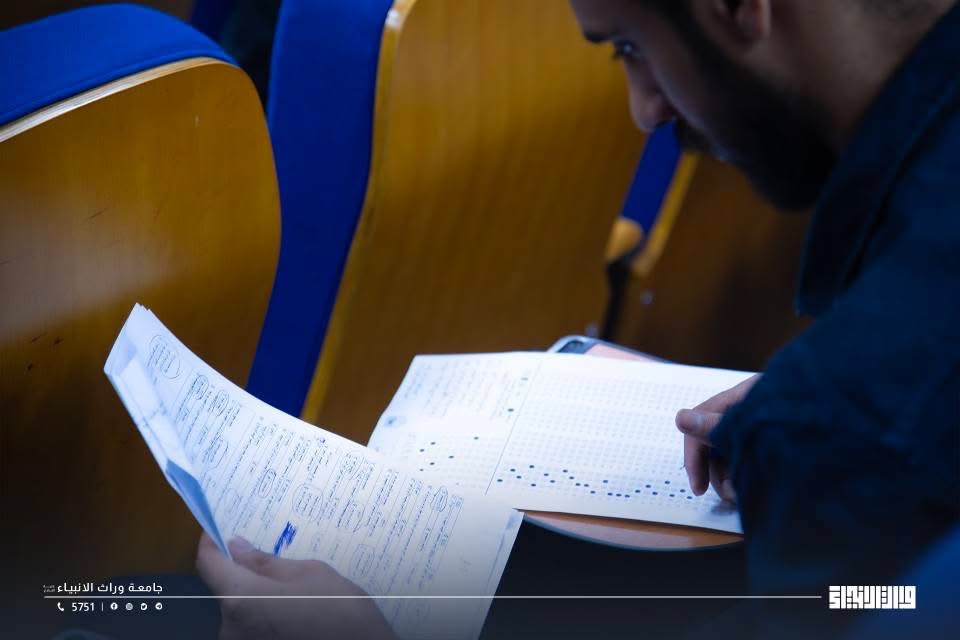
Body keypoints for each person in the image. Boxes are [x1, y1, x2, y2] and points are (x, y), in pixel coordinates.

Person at [197, 0, 960, 637]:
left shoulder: (856, 413)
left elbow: (872, 605)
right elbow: (891, 600)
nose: (643, 112)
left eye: (630, 47)